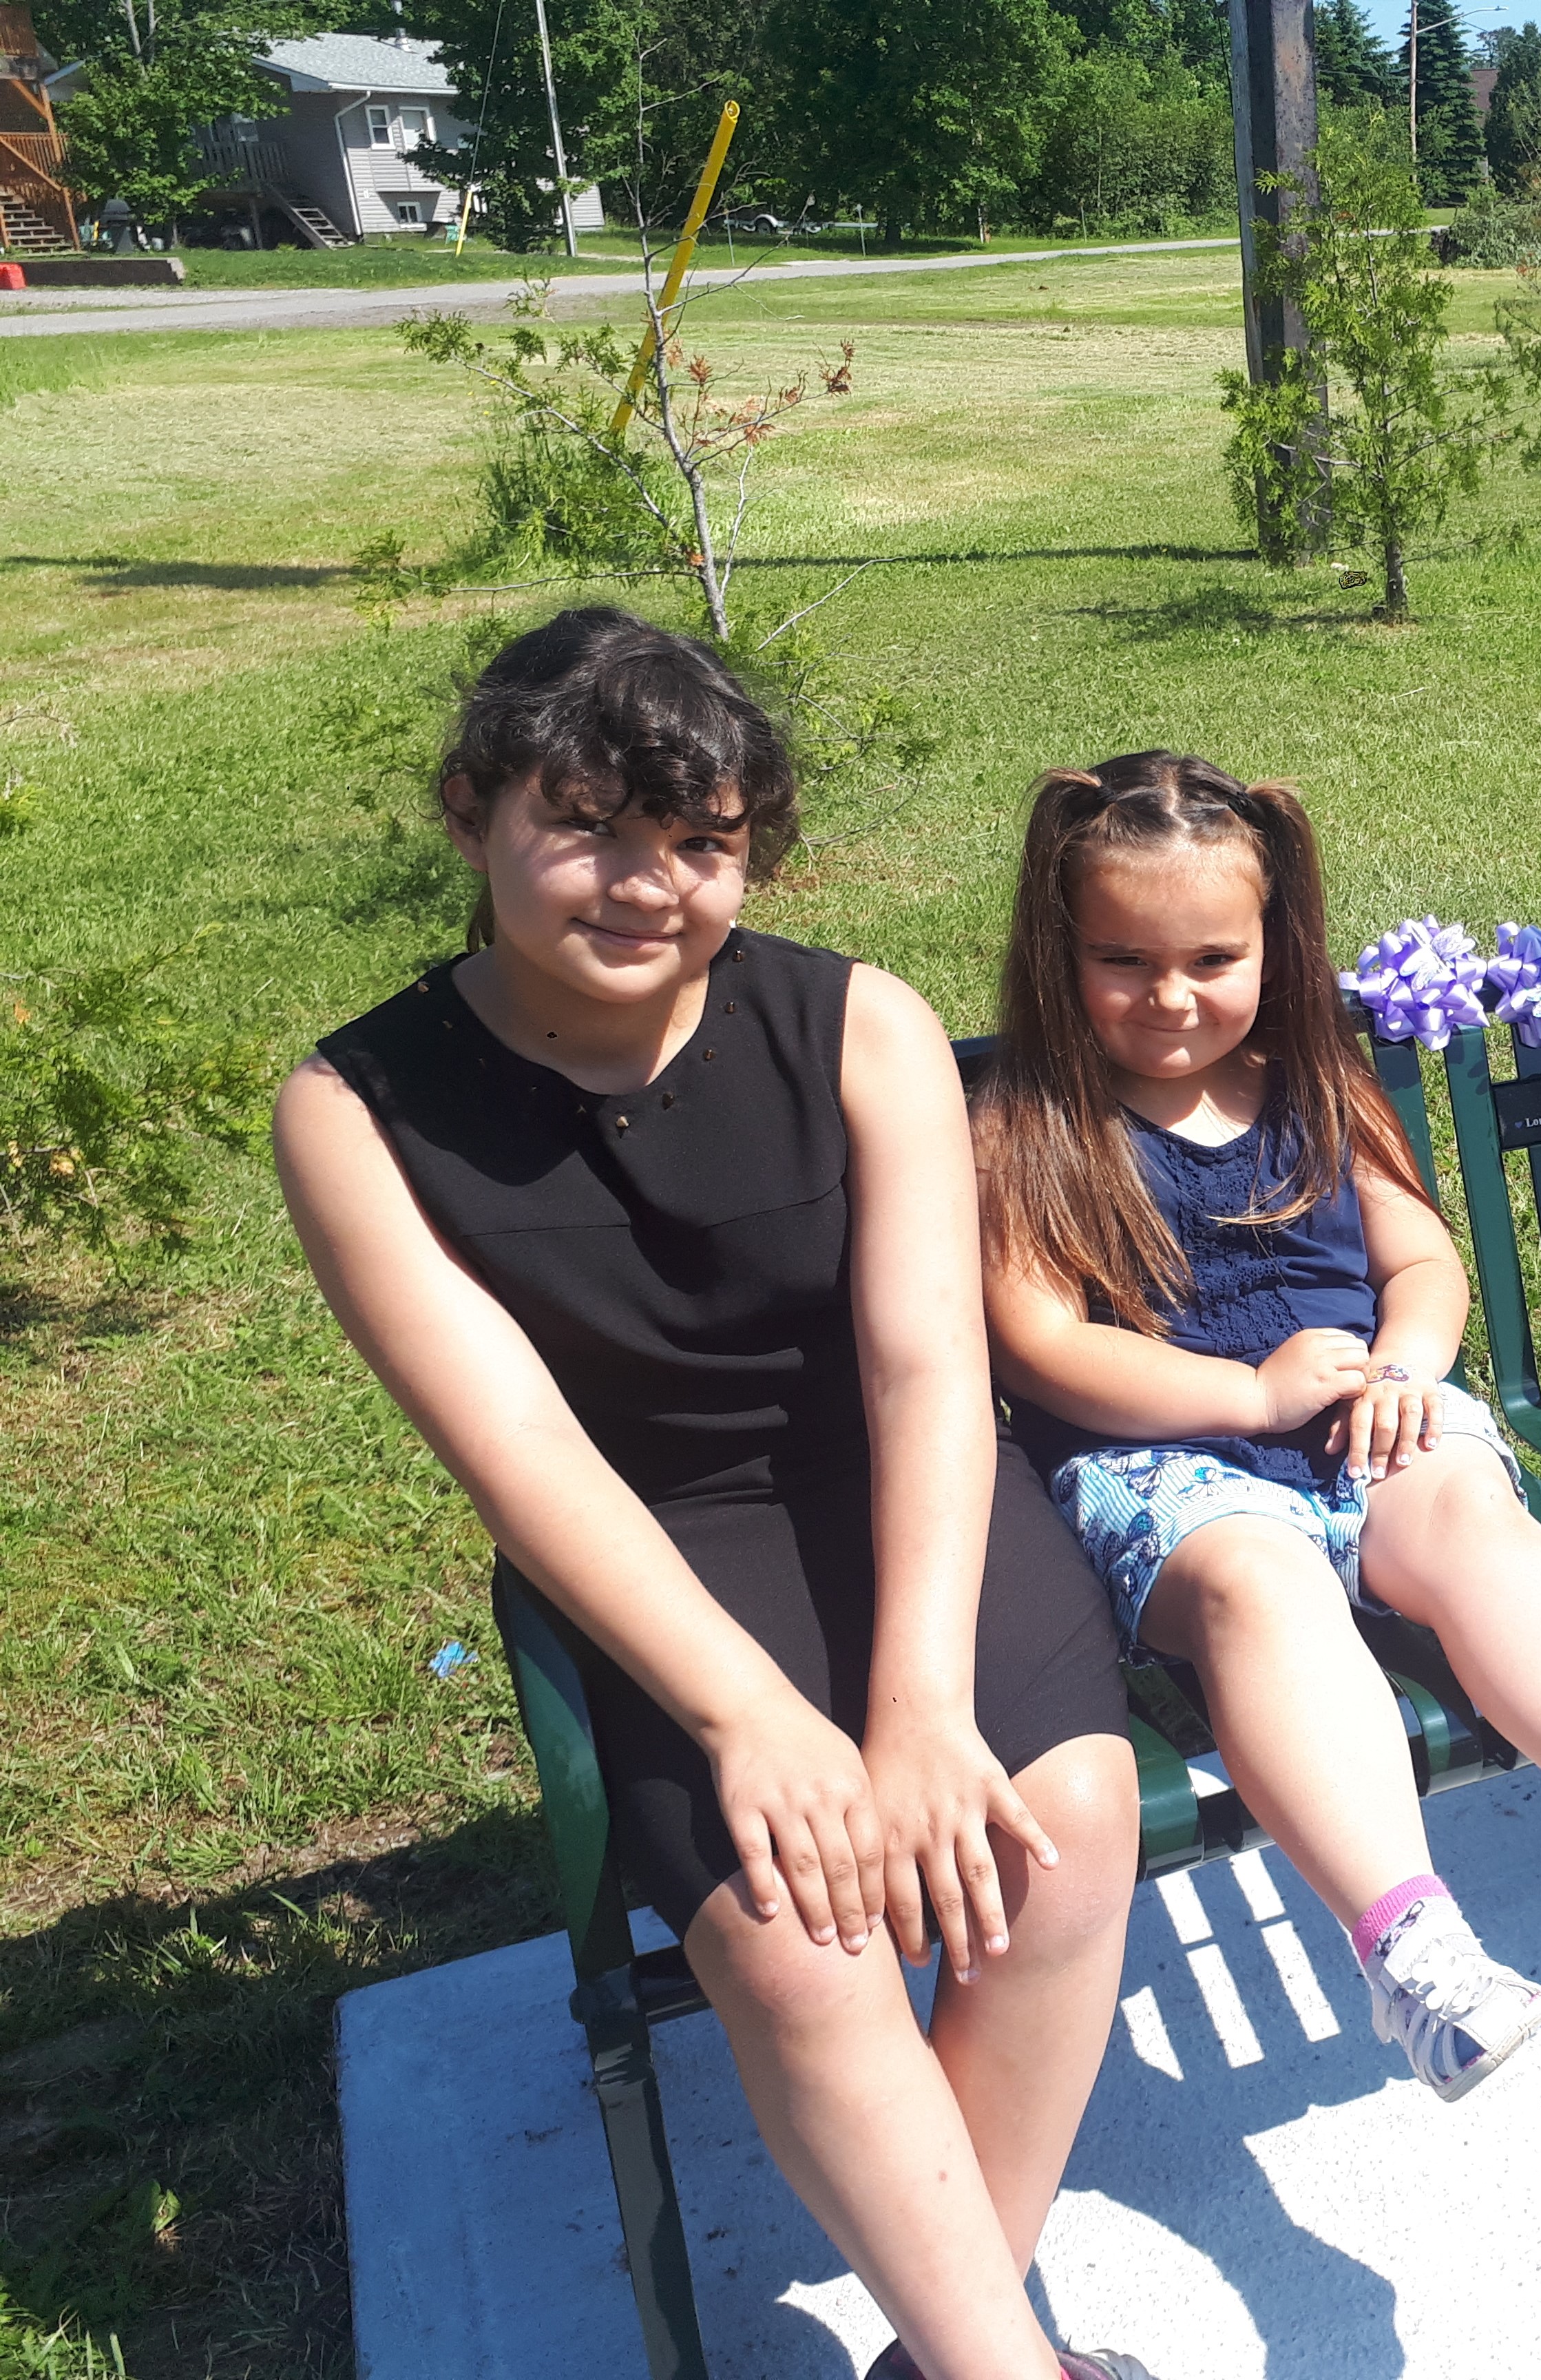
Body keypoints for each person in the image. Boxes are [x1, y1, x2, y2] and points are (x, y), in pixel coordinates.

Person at [275, 610, 1151, 2380]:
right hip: (648, 1545)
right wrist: (752, 1716)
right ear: (470, 814)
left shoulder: (857, 1026)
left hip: (905, 1494)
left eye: (704, 840)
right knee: (811, 1947)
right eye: (587, 822)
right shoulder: (355, 1110)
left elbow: (924, 1376)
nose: (647, 882)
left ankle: (957, 2342)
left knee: (1057, 1849)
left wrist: (914, 1707)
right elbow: (520, 1450)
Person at [977, 751, 1541, 2107]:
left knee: (1467, 1517)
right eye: (1124, 960)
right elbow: (1044, 1345)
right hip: (1167, 1464)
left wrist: (1404, 1366)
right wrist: (1248, 1399)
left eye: (1213, 955)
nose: (1172, 994)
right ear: (1058, 949)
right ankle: (1412, 1950)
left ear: (1274, 943)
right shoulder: (1029, 1124)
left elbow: (1423, 1264)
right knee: (1260, 1582)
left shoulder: (1313, 1080)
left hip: (1357, 1418)